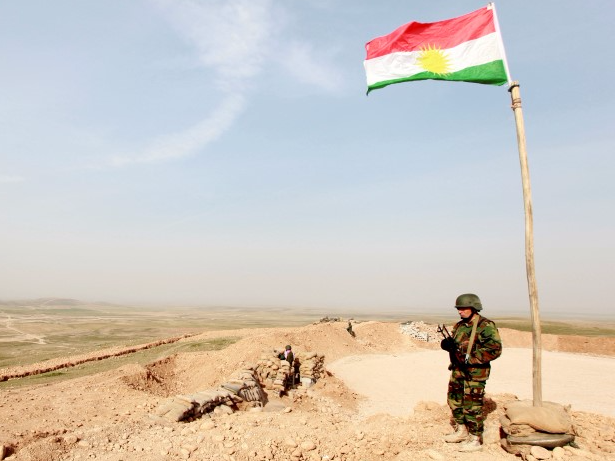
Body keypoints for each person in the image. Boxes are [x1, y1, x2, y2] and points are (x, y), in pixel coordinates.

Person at [440, 293, 502, 452]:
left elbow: (494, 349)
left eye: (463, 308)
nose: (460, 311)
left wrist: (472, 358)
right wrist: (447, 345)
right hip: (458, 370)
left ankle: (475, 439)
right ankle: (461, 431)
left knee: (472, 405)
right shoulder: (459, 326)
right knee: (454, 399)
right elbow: (456, 346)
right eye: (458, 309)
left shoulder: (485, 325)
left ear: (474, 308)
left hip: (475, 373)